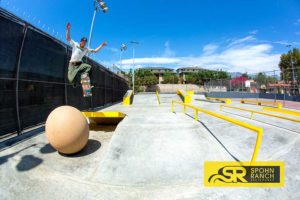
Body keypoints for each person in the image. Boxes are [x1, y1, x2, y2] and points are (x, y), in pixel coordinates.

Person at [66, 22, 107, 87]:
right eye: (83, 42)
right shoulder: (75, 44)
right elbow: (68, 38)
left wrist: (101, 45)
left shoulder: (86, 49)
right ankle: (74, 82)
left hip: (79, 64)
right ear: (80, 41)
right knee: (70, 79)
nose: (84, 43)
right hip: (72, 64)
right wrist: (68, 30)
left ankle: (84, 82)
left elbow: (95, 51)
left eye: (85, 42)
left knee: (88, 67)